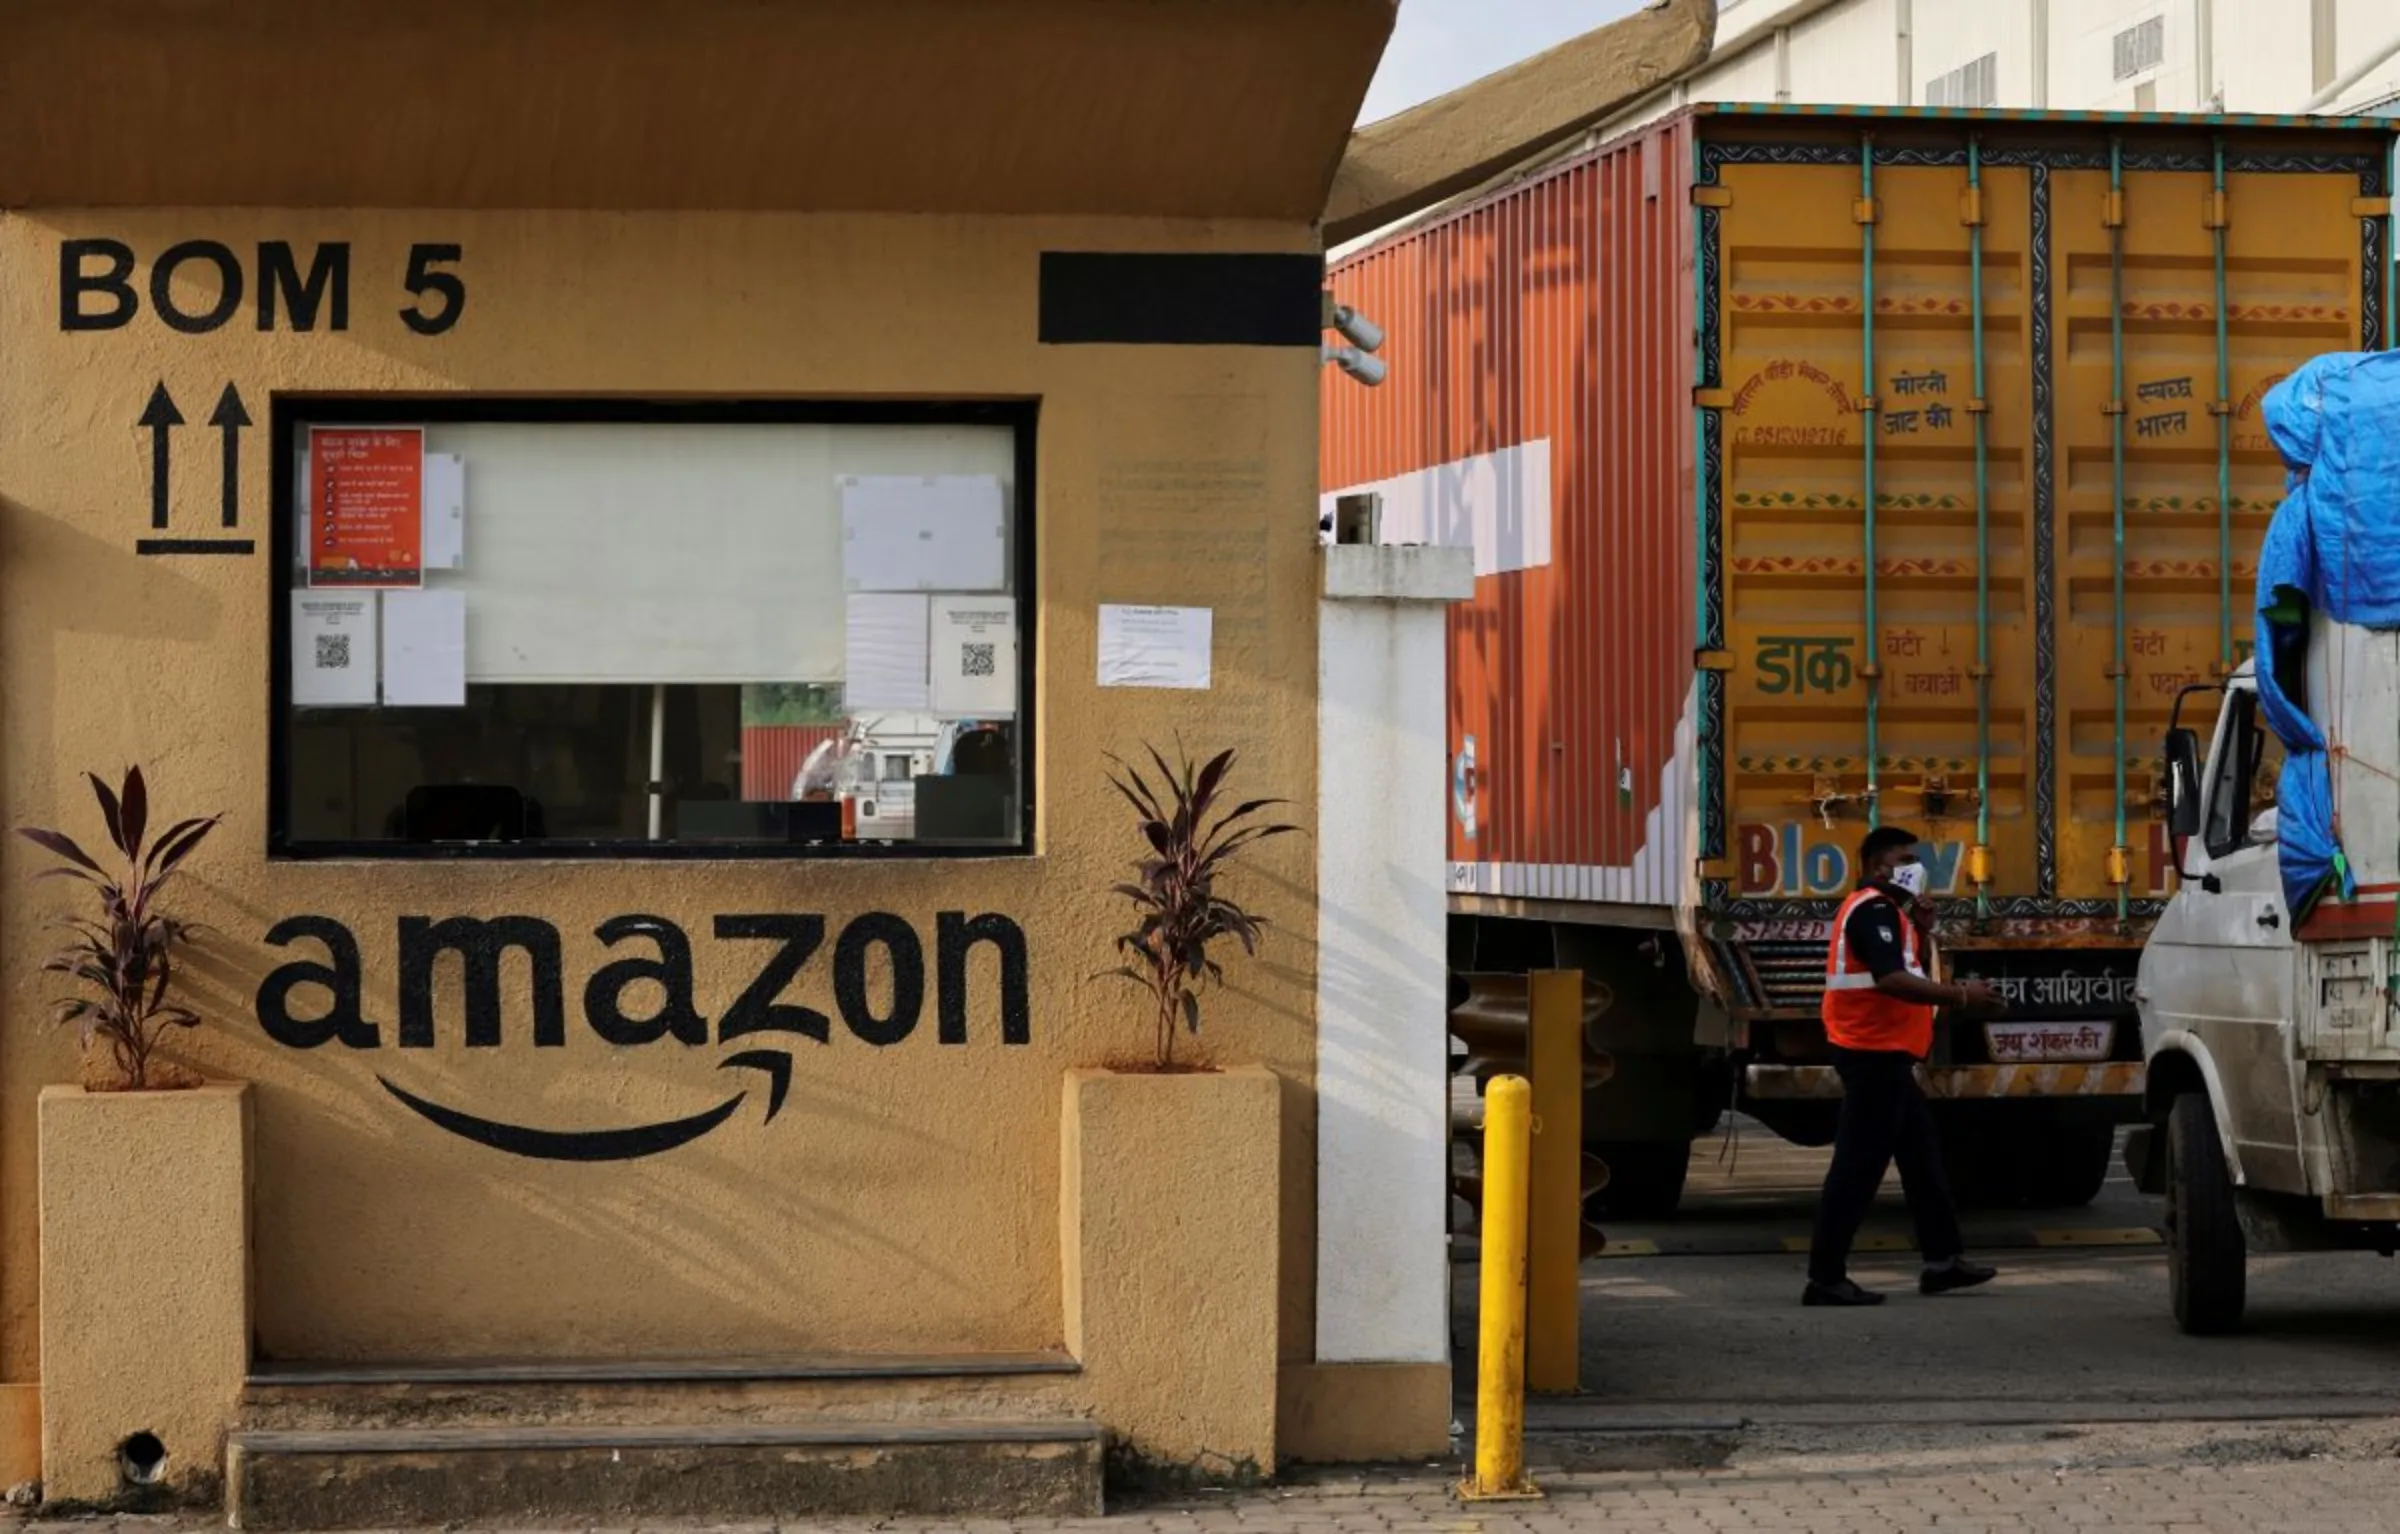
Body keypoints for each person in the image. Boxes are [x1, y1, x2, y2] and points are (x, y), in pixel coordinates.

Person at [1804, 825, 2003, 1307]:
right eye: (1905, 858)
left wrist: (1924, 930)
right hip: (1872, 1053)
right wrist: (1962, 996)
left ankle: (1943, 1262)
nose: (1916, 866)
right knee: (1856, 1168)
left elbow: (1908, 968)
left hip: (1888, 1053)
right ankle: (1825, 1278)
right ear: (1878, 867)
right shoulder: (1873, 909)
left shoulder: (1893, 913)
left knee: (1922, 1160)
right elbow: (1891, 979)